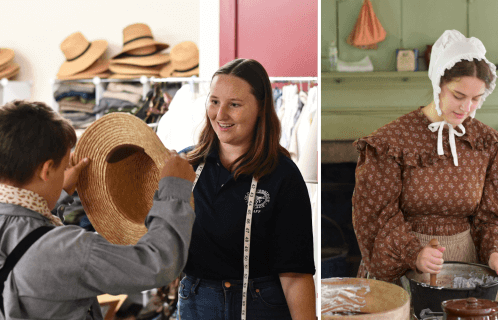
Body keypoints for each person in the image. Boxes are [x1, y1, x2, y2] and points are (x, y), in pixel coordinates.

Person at [352, 29, 498, 299]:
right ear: (437, 84)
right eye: (458, 95)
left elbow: (495, 215)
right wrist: (414, 254)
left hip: (468, 271)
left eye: (476, 99)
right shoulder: (390, 143)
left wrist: (496, 252)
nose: (466, 107)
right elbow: (376, 215)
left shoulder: (488, 144)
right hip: (402, 272)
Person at [0, 100, 196, 319]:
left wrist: (57, 192)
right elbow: (158, 263)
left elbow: (26, 240)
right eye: (64, 165)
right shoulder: (67, 249)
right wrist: (174, 189)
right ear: (46, 170)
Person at [177, 58, 316, 320]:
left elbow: (295, 273)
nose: (220, 115)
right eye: (214, 101)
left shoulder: (283, 176)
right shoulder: (185, 168)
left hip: (261, 307)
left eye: (235, 105)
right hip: (196, 304)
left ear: (261, 107)